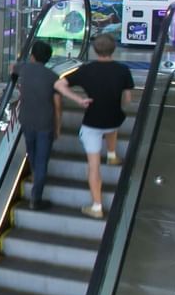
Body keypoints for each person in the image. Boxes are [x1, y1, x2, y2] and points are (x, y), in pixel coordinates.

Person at [55, 32, 135, 219]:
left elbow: (59, 85)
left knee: (94, 166)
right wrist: (119, 105)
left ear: (94, 50)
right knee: (113, 123)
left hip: (92, 123)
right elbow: (128, 99)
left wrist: (78, 99)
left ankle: (97, 206)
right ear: (113, 49)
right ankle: (112, 154)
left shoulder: (86, 70)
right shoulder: (123, 70)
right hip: (114, 118)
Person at [17, 39, 62, 211]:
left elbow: (14, 69)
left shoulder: (24, 70)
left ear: (33, 55)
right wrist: (57, 127)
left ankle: (36, 176)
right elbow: (58, 106)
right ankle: (36, 198)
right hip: (45, 123)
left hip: (26, 120)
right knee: (42, 160)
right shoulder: (53, 77)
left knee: (32, 153)